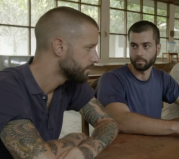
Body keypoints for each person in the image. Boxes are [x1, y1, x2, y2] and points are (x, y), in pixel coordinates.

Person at [0, 7, 118, 159]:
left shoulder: (70, 81)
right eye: (89, 48)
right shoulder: (6, 87)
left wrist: (87, 149)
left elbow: (109, 122)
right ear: (59, 47)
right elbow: (41, 157)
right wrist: (74, 138)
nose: (96, 58)